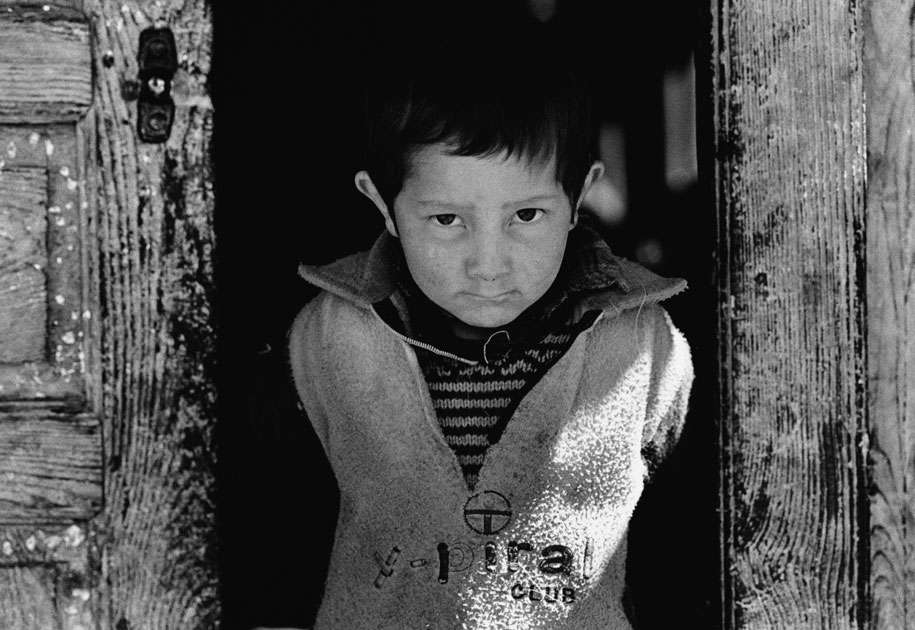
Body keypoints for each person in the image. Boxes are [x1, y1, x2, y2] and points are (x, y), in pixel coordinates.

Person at [279, 13, 694, 630]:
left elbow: (676, 539)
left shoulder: (639, 349)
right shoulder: (326, 343)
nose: (490, 267)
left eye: (526, 215)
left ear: (578, 197)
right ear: (384, 208)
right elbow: (281, 528)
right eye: (447, 221)